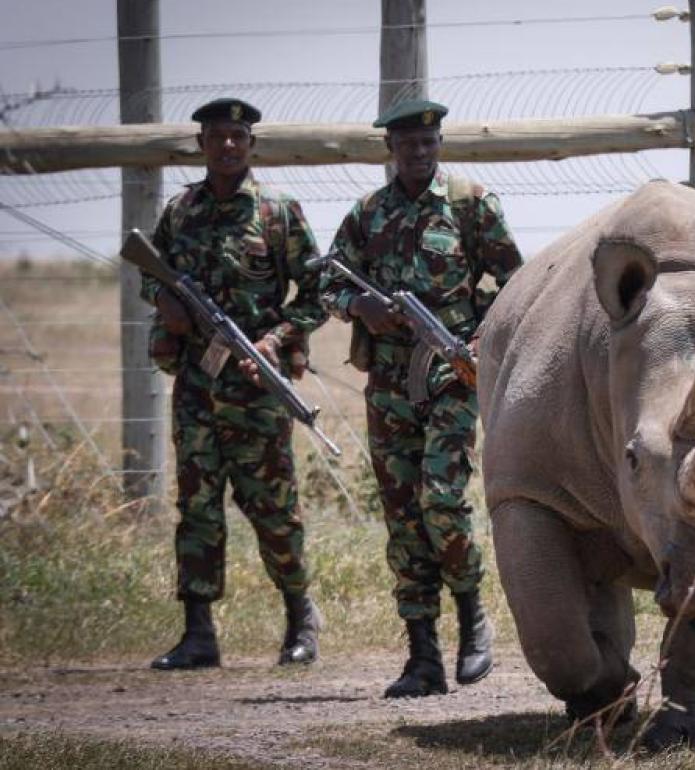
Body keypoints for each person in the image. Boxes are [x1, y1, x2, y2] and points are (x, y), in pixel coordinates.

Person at [320, 98, 522, 698]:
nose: (419, 153)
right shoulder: (368, 214)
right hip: (388, 387)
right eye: (408, 144)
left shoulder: (469, 204)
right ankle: (422, 656)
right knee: (404, 517)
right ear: (391, 150)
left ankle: (471, 619)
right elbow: (327, 280)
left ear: (439, 145)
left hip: (451, 378)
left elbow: (513, 280)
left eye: (428, 143)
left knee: (441, 501)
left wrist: (477, 339)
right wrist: (361, 307)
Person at [144, 97, 328, 670]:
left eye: (238, 137)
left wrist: (275, 340)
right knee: (197, 507)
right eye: (217, 136)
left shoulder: (278, 212)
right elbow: (151, 274)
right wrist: (165, 302)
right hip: (198, 384)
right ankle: (198, 634)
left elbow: (318, 295)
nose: (228, 146)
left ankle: (301, 622)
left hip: (255, 386)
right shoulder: (180, 212)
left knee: (273, 506)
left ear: (252, 145)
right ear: (201, 144)